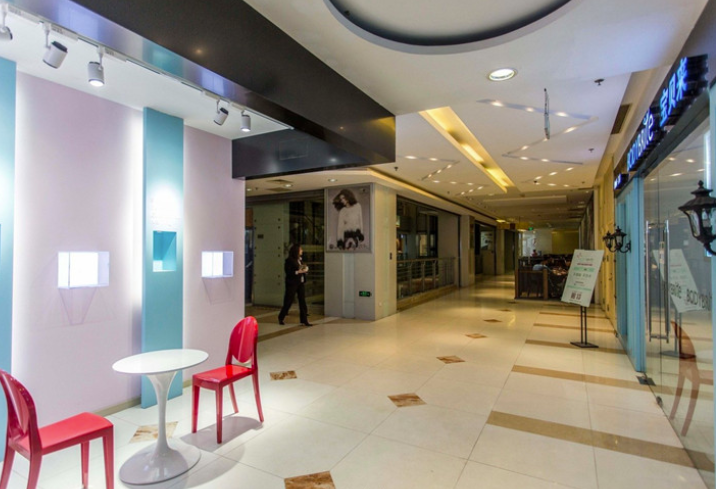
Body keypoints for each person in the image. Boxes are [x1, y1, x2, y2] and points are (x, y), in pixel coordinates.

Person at [278, 244, 312, 326]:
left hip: (300, 282)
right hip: (292, 283)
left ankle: (304, 320)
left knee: (302, 301)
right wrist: (298, 272)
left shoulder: (300, 260)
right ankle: (281, 317)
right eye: (300, 249)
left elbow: (301, 268)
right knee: (288, 300)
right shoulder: (289, 260)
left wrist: (305, 270)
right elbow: (288, 272)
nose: (302, 251)